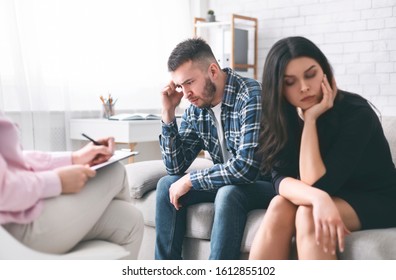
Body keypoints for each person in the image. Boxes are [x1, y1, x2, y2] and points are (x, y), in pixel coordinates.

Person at [249, 36, 396, 260]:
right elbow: (279, 178)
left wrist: (311, 121)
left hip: (379, 198)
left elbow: (317, 184)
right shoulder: (282, 116)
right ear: (278, 88)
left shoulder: (357, 113)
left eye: (311, 74)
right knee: (279, 205)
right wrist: (319, 199)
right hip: (331, 195)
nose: (304, 87)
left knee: (308, 215)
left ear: (325, 72)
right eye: (290, 82)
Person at [156, 37, 276, 260]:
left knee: (229, 193)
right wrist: (168, 114)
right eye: (180, 86)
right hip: (228, 181)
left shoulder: (250, 95)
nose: (185, 93)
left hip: (265, 183)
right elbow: (176, 166)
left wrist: (191, 180)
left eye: (189, 82)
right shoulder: (196, 108)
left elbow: (246, 168)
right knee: (166, 185)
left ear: (212, 70)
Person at [0, 111, 144, 259]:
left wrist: (74, 158)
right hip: (15, 229)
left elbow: (15, 160)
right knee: (114, 170)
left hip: (23, 212)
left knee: (131, 219)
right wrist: (57, 181)